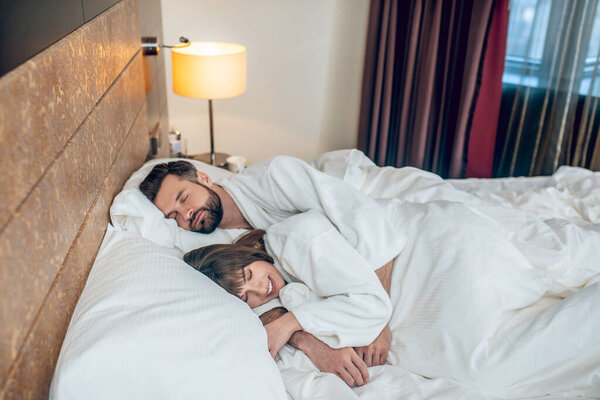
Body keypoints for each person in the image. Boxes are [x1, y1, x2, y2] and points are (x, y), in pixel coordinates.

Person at [139, 157, 405, 386]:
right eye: (173, 216)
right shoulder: (209, 245)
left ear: (204, 178)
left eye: (184, 198)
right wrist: (311, 342)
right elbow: (256, 301)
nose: (186, 214)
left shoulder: (275, 176)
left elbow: (364, 217)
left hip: (387, 248)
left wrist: (381, 321)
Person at [183, 212, 393, 388]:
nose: (261, 290)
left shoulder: (298, 239)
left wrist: (290, 323)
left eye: (249, 275)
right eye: (247, 297)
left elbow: (374, 304)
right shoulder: (271, 285)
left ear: (249, 254)